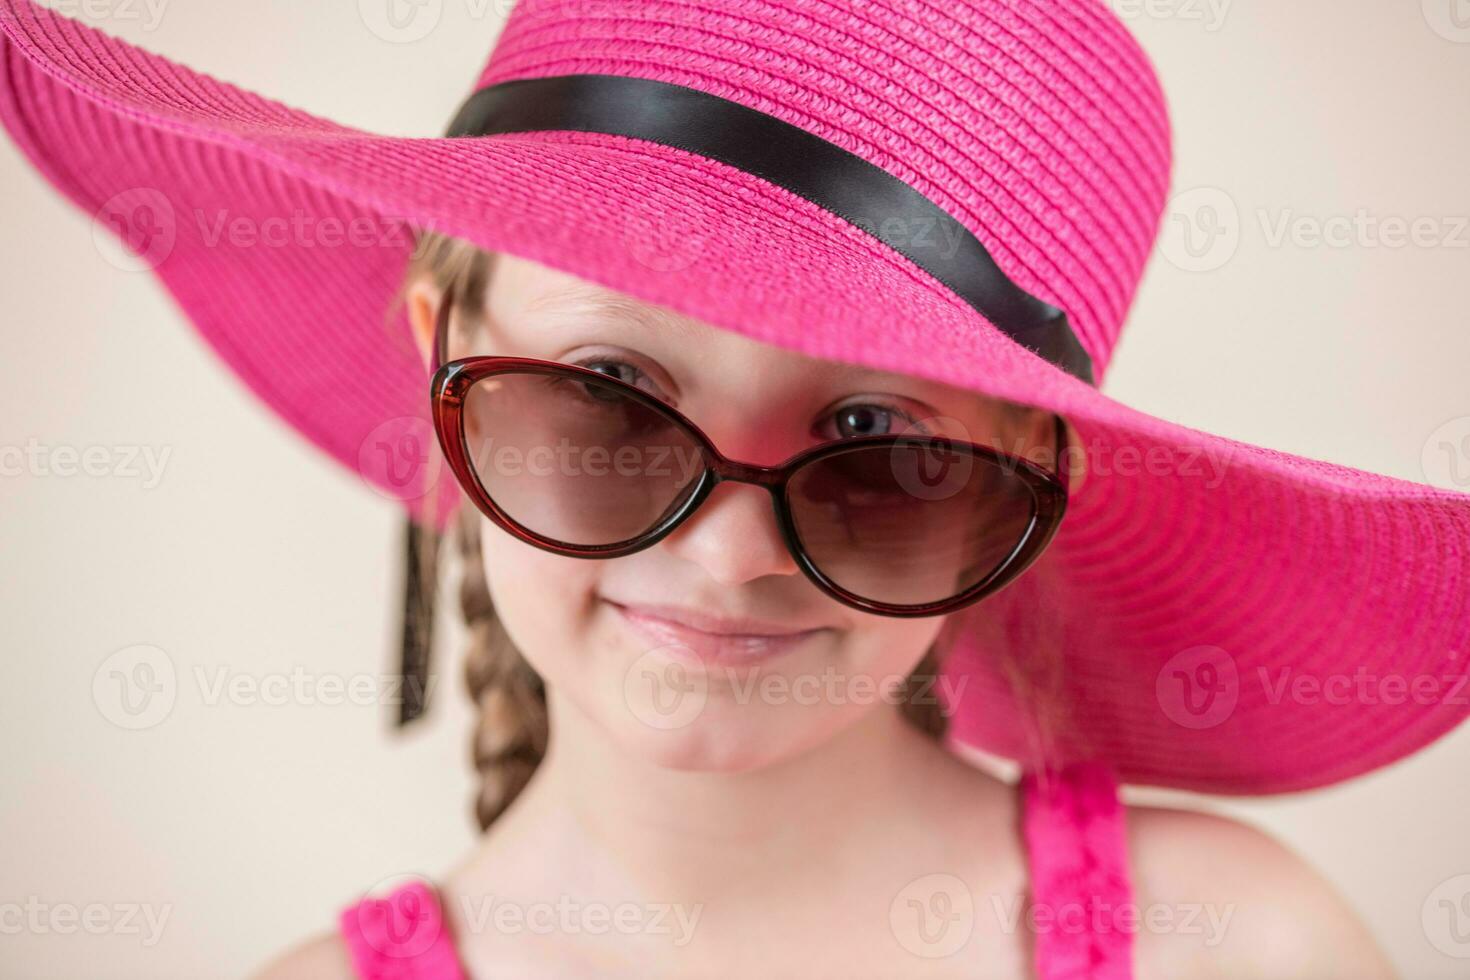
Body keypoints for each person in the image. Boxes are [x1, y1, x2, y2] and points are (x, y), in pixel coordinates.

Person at [1, 0, 1462, 976]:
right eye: (612, 397)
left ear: (1025, 492)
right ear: (442, 356)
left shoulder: (1234, 949)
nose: (719, 554)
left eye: (881, 452)